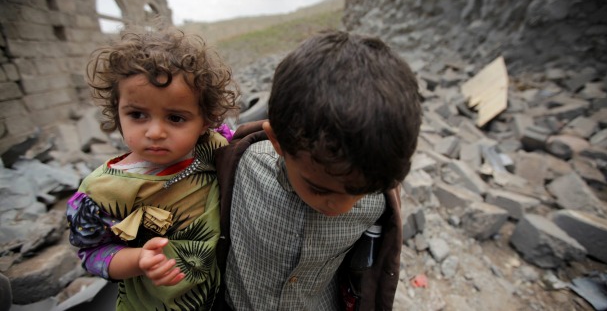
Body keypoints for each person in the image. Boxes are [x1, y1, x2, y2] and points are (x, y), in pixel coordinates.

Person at [216, 30, 422, 310]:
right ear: (277, 141)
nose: (342, 206)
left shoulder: (378, 199)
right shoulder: (240, 168)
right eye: (320, 188)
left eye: (359, 193)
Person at [66, 27, 238, 311]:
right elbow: (92, 253)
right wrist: (138, 261)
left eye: (175, 117)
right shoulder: (100, 193)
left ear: (205, 121)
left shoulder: (211, 146)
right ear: (117, 111)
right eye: (137, 115)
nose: (155, 132)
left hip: (219, 297)